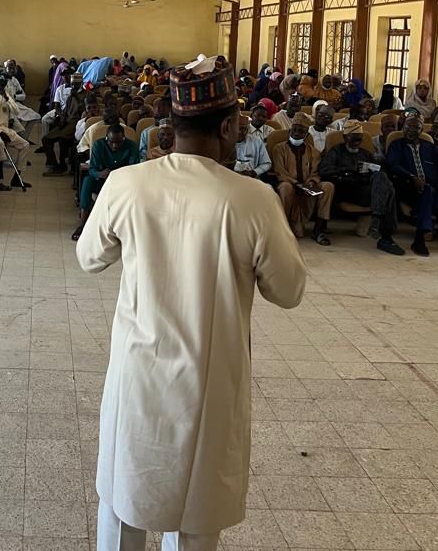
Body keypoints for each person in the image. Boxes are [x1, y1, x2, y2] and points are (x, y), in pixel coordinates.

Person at [75, 56, 305, 551]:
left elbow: (90, 257)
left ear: (170, 126)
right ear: (227, 127)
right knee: (198, 519)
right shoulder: (252, 199)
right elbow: (289, 290)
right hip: (211, 383)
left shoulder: (126, 184)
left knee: (122, 504)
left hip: (139, 375)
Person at [386, 115, 438, 256]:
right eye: (408, 127)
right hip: (409, 187)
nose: (411, 130)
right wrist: (412, 177)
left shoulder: (429, 147)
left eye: (416, 128)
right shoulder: (397, 145)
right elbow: (392, 165)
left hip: (433, 187)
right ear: (403, 128)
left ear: (421, 130)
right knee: (427, 191)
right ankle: (419, 238)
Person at [317, 121, 404, 255]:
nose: (358, 141)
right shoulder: (337, 151)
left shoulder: (365, 154)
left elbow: (379, 170)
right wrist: (348, 170)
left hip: (367, 190)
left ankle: (377, 219)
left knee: (382, 179)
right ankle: (385, 235)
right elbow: (324, 170)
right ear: (345, 137)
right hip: (347, 190)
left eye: (360, 138)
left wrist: (370, 171)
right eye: (354, 138)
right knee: (389, 192)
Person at [270, 112, 335, 245]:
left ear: (306, 134)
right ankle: (282, 227)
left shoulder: (314, 152)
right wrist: (297, 184)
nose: (297, 133)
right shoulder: (279, 149)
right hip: (290, 185)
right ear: (290, 130)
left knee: (328, 186)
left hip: (308, 186)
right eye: (294, 130)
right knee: (285, 187)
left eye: (301, 131)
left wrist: (310, 183)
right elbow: (280, 172)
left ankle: (319, 230)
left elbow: (316, 172)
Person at [73, 124, 139, 241]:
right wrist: (99, 174)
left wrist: (117, 175)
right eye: (111, 142)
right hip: (102, 180)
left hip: (122, 182)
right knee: (87, 180)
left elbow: (133, 168)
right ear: (106, 138)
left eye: (119, 142)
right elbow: (92, 168)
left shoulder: (131, 146)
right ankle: (82, 224)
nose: (114, 146)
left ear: (124, 138)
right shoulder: (99, 145)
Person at [43, 73, 85, 175]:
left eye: (76, 84)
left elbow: (84, 111)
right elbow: (65, 109)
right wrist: (62, 119)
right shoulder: (71, 95)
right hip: (67, 121)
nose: (74, 86)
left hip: (77, 122)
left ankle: (63, 165)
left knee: (63, 137)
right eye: (73, 84)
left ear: (81, 83)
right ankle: (54, 164)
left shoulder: (86, 94)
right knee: (46, 139)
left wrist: (77, 98)